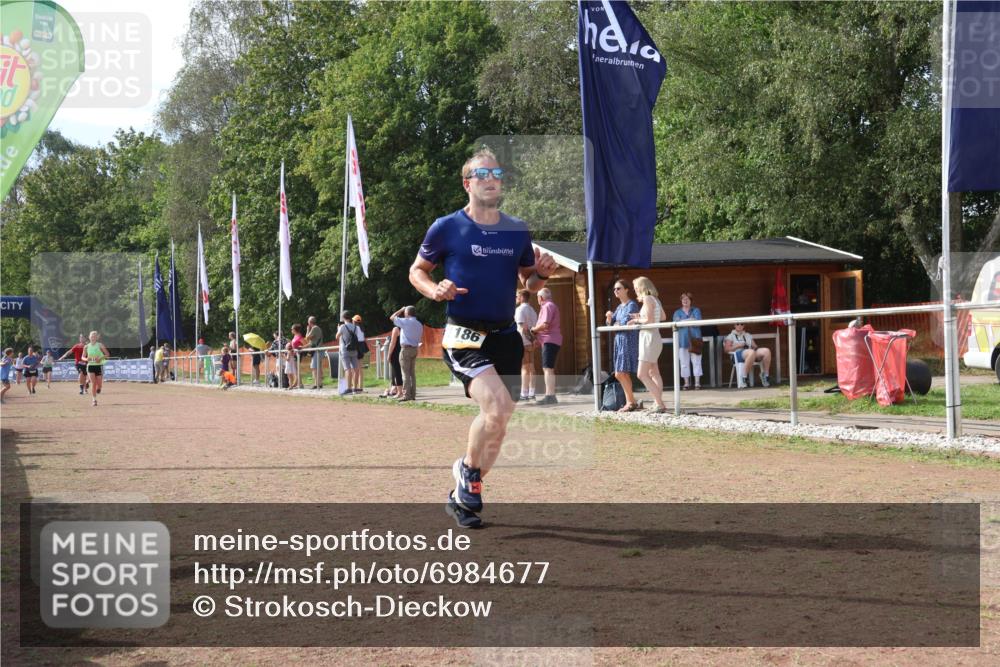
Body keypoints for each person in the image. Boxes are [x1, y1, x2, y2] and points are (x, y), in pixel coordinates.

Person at [408, 147, 557, 528]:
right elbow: (417, 271)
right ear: (467, 184)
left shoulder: (516, 229)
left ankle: (464, 484)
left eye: (497, 174)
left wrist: (542, 273)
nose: (491, 180)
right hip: (464, 334)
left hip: (505, 335)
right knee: (496, 407)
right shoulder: (447, 227)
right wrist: (435, 289)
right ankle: (469, 476)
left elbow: (528, 282)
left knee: (500, 421)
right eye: (483, 174)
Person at [629, 276, 667, 413]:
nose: (635, 290)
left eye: (636, 288)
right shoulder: (655, 299)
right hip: (655, 336)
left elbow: (649, 320)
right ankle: (658, 403)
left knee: (642, 374)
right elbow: (662, 317)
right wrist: (640, 317)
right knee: (654, 372)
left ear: (641, 287)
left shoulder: (647, 299)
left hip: (648, 338)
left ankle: (660, 403)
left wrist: (636, 321)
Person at [605, 279, 641, 411]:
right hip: (619, 340)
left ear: (626, 290)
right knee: (623, 373)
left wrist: (616, 323)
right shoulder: (619, 307)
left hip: (627, 340)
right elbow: (611, 324)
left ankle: (631, 401)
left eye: (619, 288)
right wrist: (609, 318)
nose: (616, 291)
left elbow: (624, 323)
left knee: (619, 373)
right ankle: (631, 401)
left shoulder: (631, 305)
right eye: (614, 289)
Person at [531, 287, 562, 405]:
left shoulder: (547, 306)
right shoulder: (550, 305)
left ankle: (550, 396)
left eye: (537, 297)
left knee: (547, 369)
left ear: (540, 297)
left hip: (550, 341)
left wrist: (533, 330)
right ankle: (550, 395)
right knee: (548, 368)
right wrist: (538, 339)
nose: (537, 299)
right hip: (550, 340)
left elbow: (545, 325)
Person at [389, 306, 423, 402]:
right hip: (414, 349)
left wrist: (401, 309)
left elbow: (392, 317)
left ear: (407, 313)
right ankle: (412, 394)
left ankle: (406, 395)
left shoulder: (406, 321)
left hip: (406, 349)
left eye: (405, 312)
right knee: (412, 373)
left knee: (405, 373)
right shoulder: (419, 324)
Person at [724, 322, 772, 388]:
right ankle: (744, 377)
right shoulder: (731, 336)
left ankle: (765, 375)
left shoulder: (747, 335)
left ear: (744, 325)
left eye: (742, 324)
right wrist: (738, 346)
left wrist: (753, 347)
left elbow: (755, 346)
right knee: (751, 352)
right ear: (734, 325)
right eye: (737, 324)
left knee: (766, 351)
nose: (739, 325)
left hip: (750, 353)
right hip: (737, 355)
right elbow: (726, 349)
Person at [672, 292, 703, 390]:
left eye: (687, 299)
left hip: (695, 339)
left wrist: (683, 321)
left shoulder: (696, 310)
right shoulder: (677, 312)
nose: (685, 301)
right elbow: (676, 324)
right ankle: (686, 383)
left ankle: (697, 383)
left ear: (691, 301)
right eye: (683, 299)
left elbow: (698, 322)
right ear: (681, 301)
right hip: (682, 341)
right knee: (684, 363)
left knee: (697, 362)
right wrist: (691, 320)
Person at [514, 289, 538, 402]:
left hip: (523, 341)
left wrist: (529, 339)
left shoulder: (520, 309)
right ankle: (532, 393)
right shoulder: (532, 310)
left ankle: (524, 393)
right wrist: (534, 339)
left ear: (522, 297)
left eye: (517, 296)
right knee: (531, 367)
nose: (516, 298)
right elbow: (534, 328)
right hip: (531, 342)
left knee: (524, 368)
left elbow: (523, 327)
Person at [81, 330, 110, 406]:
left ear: (97, 337)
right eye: (92, 336)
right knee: (93, 383)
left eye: (94, 336)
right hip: (90, 366)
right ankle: (94, 400)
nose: (93, 337)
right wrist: (86, 359)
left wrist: (100, 358)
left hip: (99, 365)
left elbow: (107, 354)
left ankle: (99, 388)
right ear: (89, 337)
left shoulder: (100, 345)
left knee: (99, 384)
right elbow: (82, 357)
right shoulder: (86, 346)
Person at [335, 312, 362, 394]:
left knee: (347, 369)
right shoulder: (355, 327)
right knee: (356, 369)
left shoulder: (342, 326)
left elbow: (337, 337)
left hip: (345, 350)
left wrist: (338, 329)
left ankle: (348, 388)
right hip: (354, 349)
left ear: (343, 318)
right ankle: (355, 388)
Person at [378, 326, 403, 399]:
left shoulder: (396, 329)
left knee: (396, 372)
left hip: (395, 352)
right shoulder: (405, 328)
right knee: (401, 372)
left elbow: (393, 343)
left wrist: (389, 355)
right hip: (402, 351)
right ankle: (395, 388)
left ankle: (397, 390)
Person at [306, 315, 324, 389]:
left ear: (309, 322)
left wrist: (307, 330)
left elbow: (307, 338)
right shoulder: (317, 328)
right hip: (318, 350)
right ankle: (319, 383)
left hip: (317, 350)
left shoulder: (314, 328)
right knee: (318, 367)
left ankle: (316, 384)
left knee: (314, 367)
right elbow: (311, 342)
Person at [287, 323, 305, 389]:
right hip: (294, 355)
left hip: (298, 354)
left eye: (292, 329)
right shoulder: (295, 336)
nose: (291, 330)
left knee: (297, 369)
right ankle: (297, 383)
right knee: (296, 370)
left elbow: (306, 344)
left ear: (295, 330)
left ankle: (300, 384)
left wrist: (301, 347)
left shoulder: (299, 336)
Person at [352, 314, 367, 392]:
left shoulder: (354, 328)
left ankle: (354, 386)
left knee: (354, 368)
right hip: (362, 347)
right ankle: (360, 386)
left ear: (354, 321)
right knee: (360, 368)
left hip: (356, 347)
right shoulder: (362, 329)